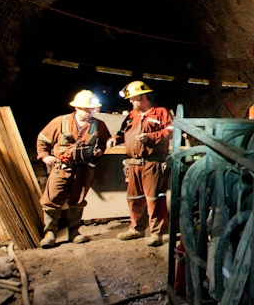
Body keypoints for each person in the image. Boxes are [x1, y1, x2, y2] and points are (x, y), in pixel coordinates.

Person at [36, 90, 110, 248]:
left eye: (91, 109)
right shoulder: (60, 122)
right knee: (52, 199)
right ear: (76, 107)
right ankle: (50, 233)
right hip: (61, 167)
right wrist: (44, 156)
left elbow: (104, 140)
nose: (89, 112)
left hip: (84, 168)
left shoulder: (98, 125)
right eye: (86, 109)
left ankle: (74, 232)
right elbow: (43, 140)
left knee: (78, 200)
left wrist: (100, 150)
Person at [106, 80, 173, 246]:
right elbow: (122, 132)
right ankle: (136, 229)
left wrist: (151, 137)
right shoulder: (131, 115)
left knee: (154, 199)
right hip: (133, 164)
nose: (130, 101)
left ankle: (157, 233)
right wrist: (115, 138)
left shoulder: (161, 112)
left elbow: (172, 131)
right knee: (134, 198)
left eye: (133, 98)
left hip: (152, 163)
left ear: (143, 96)